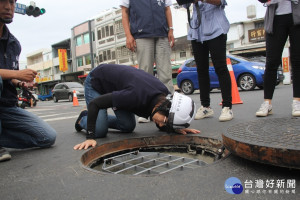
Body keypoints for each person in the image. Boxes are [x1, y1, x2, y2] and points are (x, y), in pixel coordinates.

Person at [73, 64, 200, 150]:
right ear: (163, 107)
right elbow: (95, 104)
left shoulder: (163, 98)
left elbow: (160, 120)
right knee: (100, 131)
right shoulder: (134, 96)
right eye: (165, 121)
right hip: (97, 81)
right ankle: (83, 118)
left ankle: (97, 117)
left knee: (127, 126)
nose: (161, 125)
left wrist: (175, 126)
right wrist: (90, 137)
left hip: (120, 89)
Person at [0, 0, 56, 162]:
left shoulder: (13, 44)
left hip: (8, 106)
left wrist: (20, 82)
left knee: (47, 137)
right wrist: (17, 73)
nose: (8, 7)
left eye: (12, 2)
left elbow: (9, 78)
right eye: (3, 1)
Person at [120, 0, 175, 123]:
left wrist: (171, 29)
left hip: (162, 33)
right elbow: (125, 12)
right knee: (145, 74)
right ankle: (147, 110)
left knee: (166, 74)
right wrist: (128, 35)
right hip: (141, 34)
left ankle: (169, 108)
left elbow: (167, 8)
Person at [184, 0, 233, 121]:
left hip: (216, 28)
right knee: (201, 69)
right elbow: (183, 3)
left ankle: (227, 107)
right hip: (197, 31)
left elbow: (220, 2)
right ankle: (206, 106)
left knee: (220, 67)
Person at [256, 0, 300, 117]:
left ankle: (297, 101)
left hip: (296, 15)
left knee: (297, 61)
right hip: (275, 19)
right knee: (271, 62)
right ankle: (267, 103)